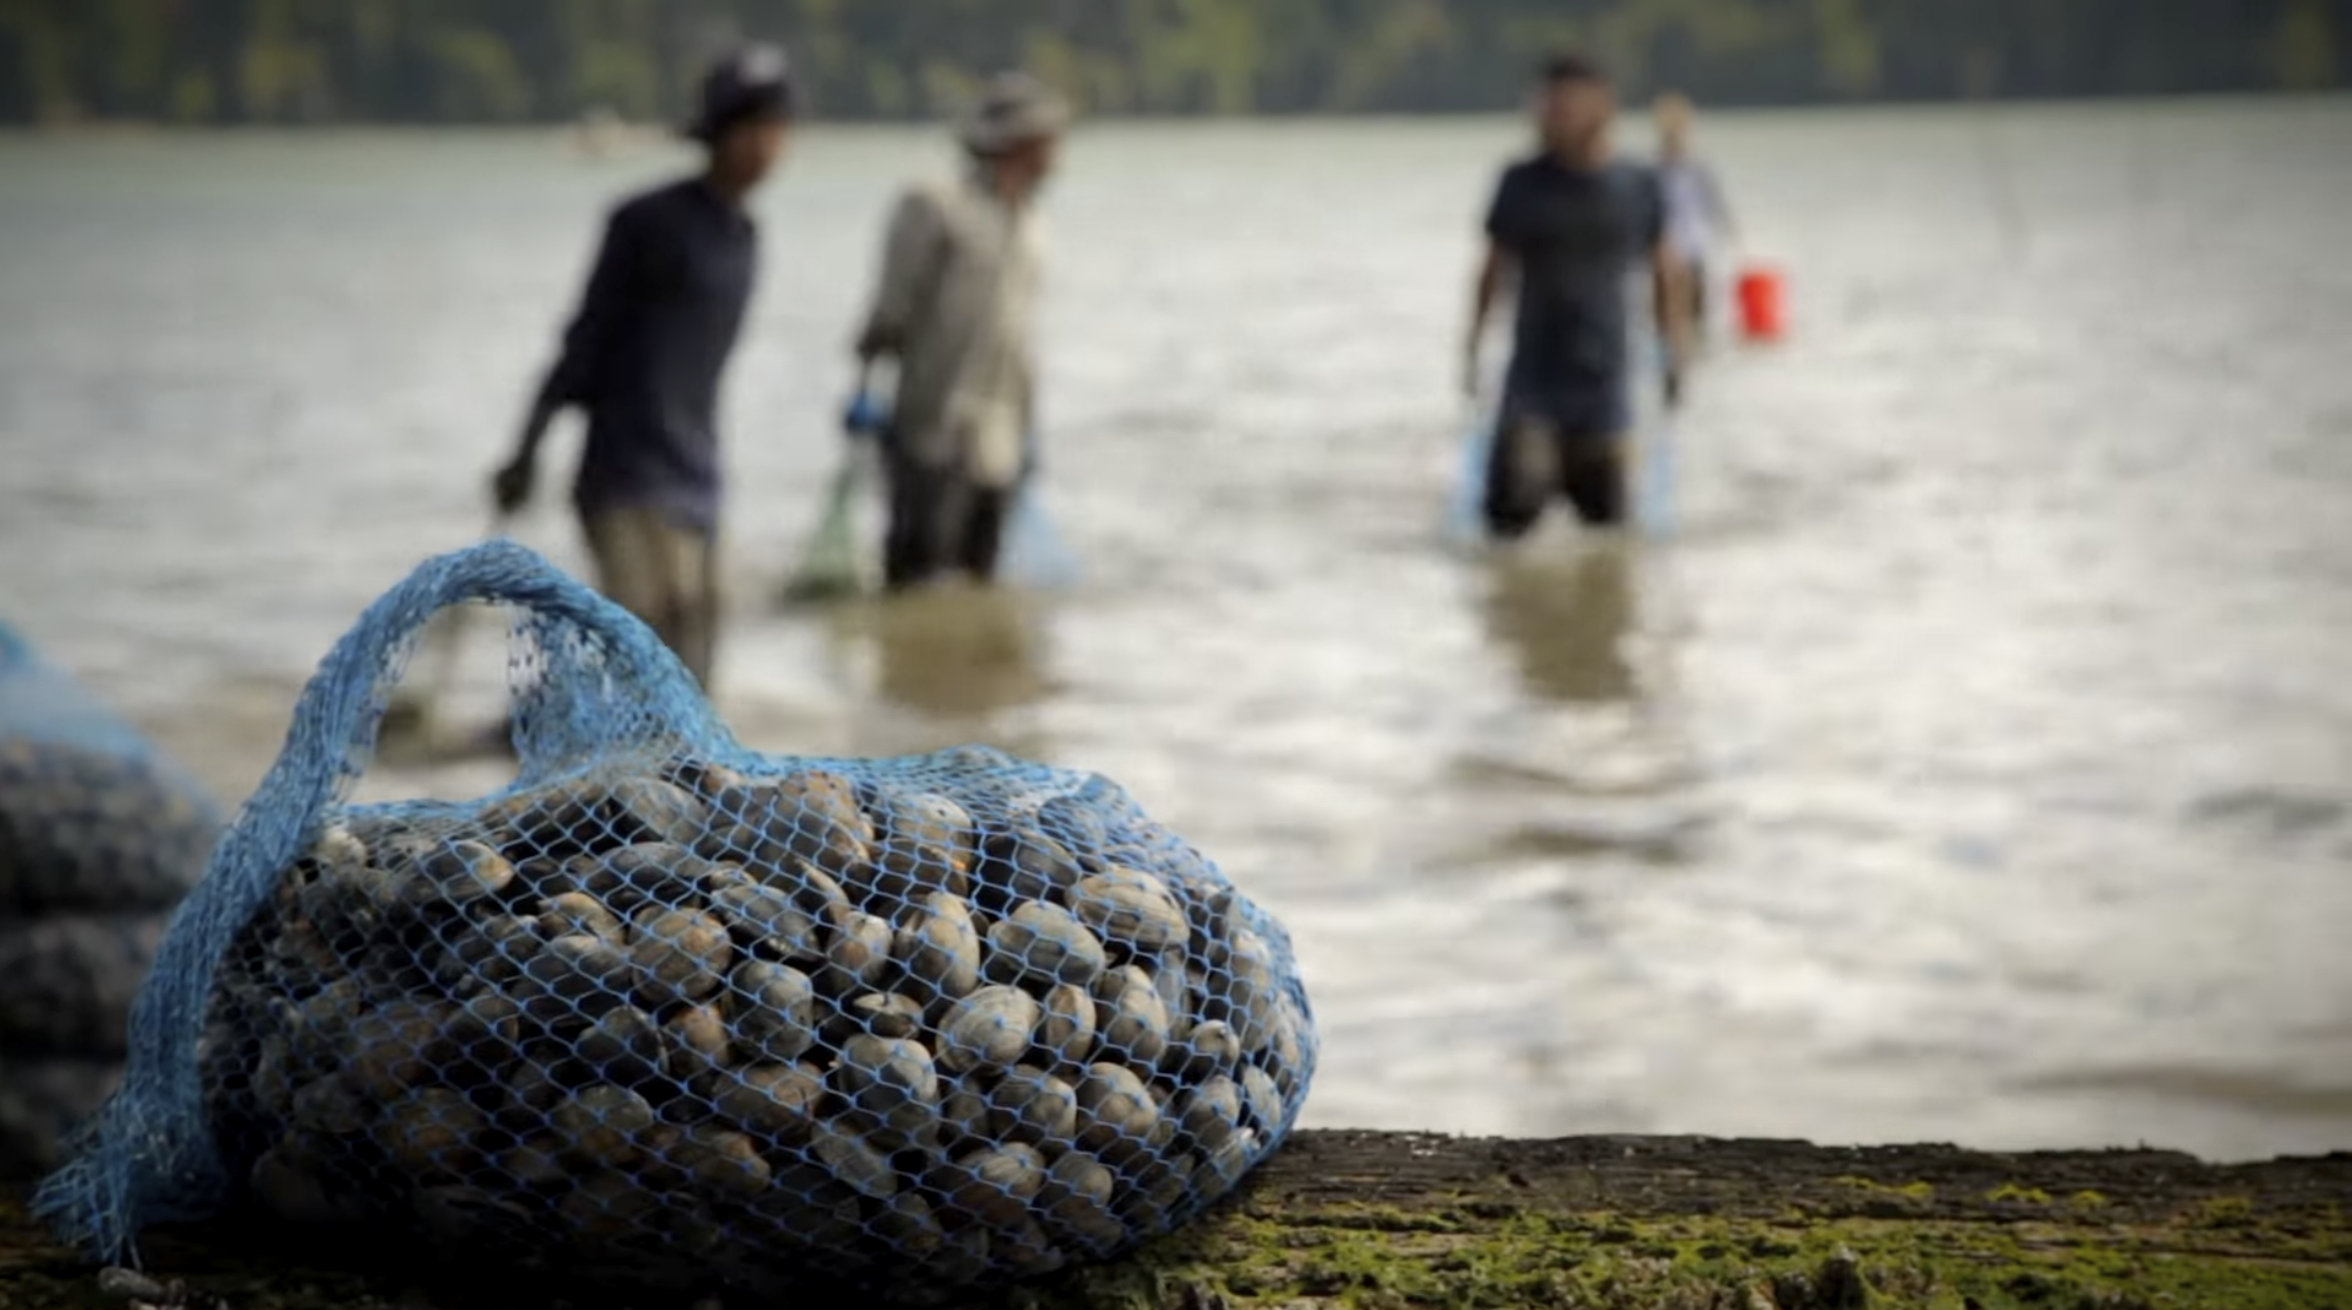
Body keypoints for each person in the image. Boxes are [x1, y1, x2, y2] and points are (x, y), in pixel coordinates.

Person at [489, 43, 795, 692]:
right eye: (757, 127)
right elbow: (582, 344)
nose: (770, 144)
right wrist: (527, 450)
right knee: (642, 654)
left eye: (779, 128)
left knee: (699, 668)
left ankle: (687, 791)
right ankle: (599, 779)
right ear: (721, 133)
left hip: (698, 476)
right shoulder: (646, 223)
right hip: (625, 478)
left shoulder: (745, 238)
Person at [852, 71, 1070, 593]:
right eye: (1050, 139)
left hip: (1003, 435)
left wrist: (1029, 428)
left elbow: (1019, 336)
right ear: (1021, 142)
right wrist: (865, 389)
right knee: (916, 573)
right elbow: (890, 312)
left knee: (981, 575)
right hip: (934, 427)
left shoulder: (1031, 223)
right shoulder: (935, 206)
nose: (1059, 153)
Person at [1462, 53, 1688, 542]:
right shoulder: (1520, 182)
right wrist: (1471, 347)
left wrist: (1674, 355)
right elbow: (1491, 269)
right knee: (1511, 520)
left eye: (1564, 104)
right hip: (1531, 385)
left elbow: (1665, 273)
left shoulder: (1637, 184)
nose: (1550, 114)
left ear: (1601, 106)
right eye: (1546, 104)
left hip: (1606, 386)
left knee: (1608, 533)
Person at [1653, 91, 1738, 344]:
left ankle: (1693, 350)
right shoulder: (1653, 169)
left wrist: (1731, 233)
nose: (1674, 134)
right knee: (1665, 314)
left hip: (1694, 245)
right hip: (1664, 248)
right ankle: (1670, 354)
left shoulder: (1697, 168)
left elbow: (1715, 205)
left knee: (1697, 311)